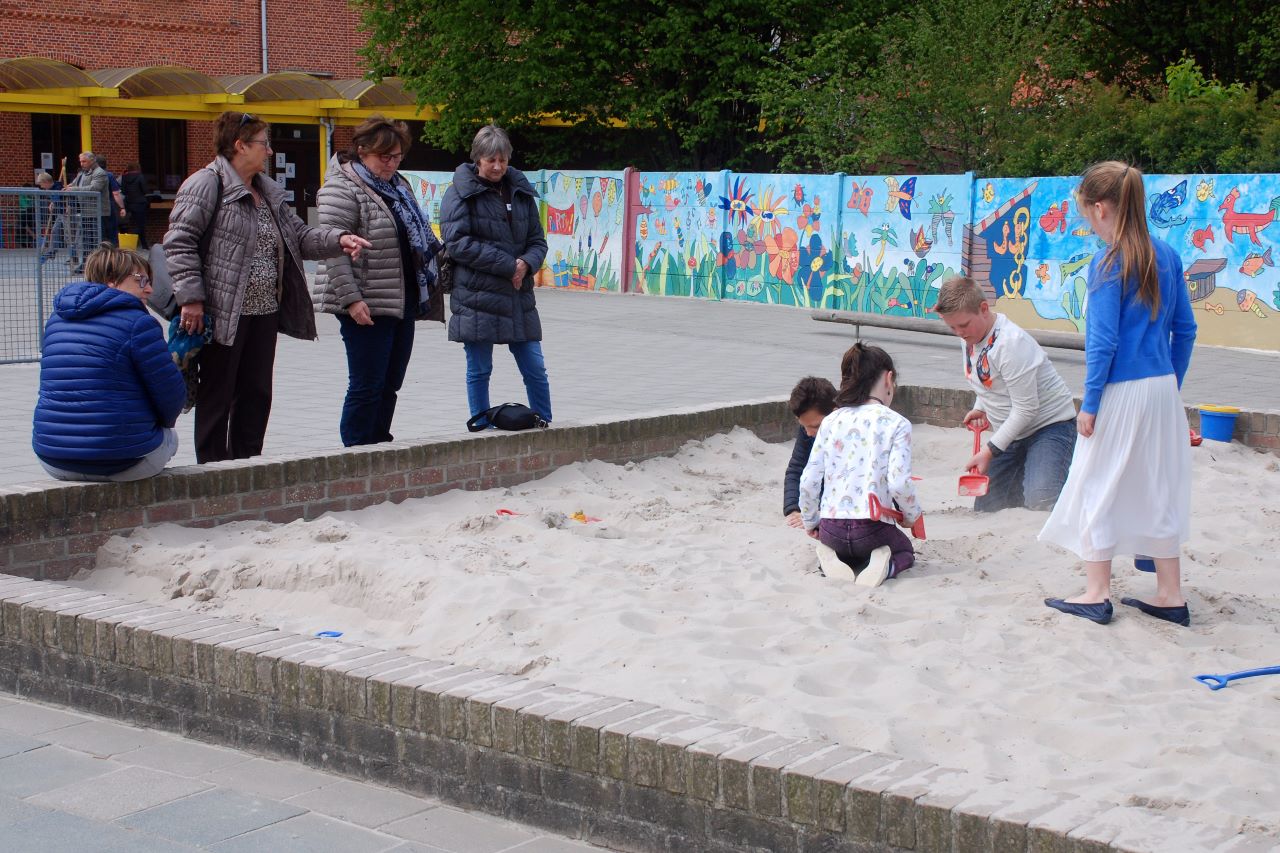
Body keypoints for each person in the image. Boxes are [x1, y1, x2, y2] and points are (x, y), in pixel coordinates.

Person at [1039, 161, 1197, 626]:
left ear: (1101, 208)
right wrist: (1169, 384)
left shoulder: (1108, 263)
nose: (1088, 220)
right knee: (1157, 487)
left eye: (1086, 212)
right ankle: (1170, 595)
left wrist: (1089, 404)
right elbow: (1185, 330)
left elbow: (1102, 342)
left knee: (1095, 481)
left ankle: (1096, 590)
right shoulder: (1166, 255)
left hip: (1121, 389)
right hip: (1163, 387)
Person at [163, 110, 370, 463]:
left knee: (256, 393)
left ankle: (247, 466)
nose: (270, 151)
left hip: (263, 311)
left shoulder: (268, 191)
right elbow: (179, 242)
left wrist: (339, 239)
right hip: (223, 311)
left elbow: (300, 237)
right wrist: (192, 298)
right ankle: (213, 474)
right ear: (239, 146)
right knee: (218, 395)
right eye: (263, 143)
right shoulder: (205, 184)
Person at [315, 115, 444, 446]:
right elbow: (332, 247)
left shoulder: (398, 185)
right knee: (366, 383)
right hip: (366, 300)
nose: (391, 163)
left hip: (401, 300)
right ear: (361, 151)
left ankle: (379, 446)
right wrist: (352, 300)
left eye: (397, 156)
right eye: (383, 157)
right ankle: (356, 453)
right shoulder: (342, 186)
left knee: (390, 382)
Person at [32, 243, 186, 481]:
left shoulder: (55, 321)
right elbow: (171, 396)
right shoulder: (138, 323)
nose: (150, 290)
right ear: (112, 281)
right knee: (170, 438)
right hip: (122, 461)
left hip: (52, 458)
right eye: (141, 281)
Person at [935, 276, 1078, 511]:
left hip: (1050, 426)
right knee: (987, 508)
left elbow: (1026, 409)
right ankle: (1029, 469)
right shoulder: (972, 336)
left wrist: (989, 451)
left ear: (983, 309)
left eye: (963, 325)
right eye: (952, 327)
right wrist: (981, 406)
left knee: (1041, 500)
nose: (959, 333)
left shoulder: (1011, 344)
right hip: (1011, 433)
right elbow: (989, 377)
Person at [440, 124, 551, 426]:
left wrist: (526, 264)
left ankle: (545, 422)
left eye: (503, 159)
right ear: (478, 159)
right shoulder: (459, 194)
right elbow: (458, 243)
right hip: (478, 295)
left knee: (535, 367)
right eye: (491, 160)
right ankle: (480, 422)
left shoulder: (521, 192)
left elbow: (538, 241)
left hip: (518, 296)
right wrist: (508, 266)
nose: (498, 166)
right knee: (479, 369)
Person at [799, 343, 923, 587]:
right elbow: (899, 482)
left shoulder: (831, 421)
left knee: (843, 546)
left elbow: (809, 480)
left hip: (832, 527)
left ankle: (831, 559)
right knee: (905, 551)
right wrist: (911, 515)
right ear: (889, 380)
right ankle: (885, 567)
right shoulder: (897, 423)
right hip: (873, 527)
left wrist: (811, 522)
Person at [783, 376, 837, 528]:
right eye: (804, 426)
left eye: (815, 426)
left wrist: (818, 513)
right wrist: (793, 508)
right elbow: (796, 469)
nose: (808, 433)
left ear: (835, 413)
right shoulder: (808, 430)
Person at [64, 151, 111, 270]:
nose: (82, 163)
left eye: (84, 161)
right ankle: (86, 264)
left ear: (92, 160)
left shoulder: (100, 173)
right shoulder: (82, 173)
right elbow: (74, 184)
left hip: (97, 212)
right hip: (86, 211)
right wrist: (68, 187)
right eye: (80, 161)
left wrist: (74, 189)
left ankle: (101, 265)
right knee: (86, 241)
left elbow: (95, 188)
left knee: (97, 240)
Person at [120, 162, 150, 248]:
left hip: (129, 203)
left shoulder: (124, 177)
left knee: (132, 223)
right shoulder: (140, 176)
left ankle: (143, 244)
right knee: (140, 224)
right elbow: (145, 190)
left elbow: (123, 191)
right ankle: (132, 240)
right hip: (140, 203)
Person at [98, 155, 126, 246]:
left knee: (99, 232)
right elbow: (116, 193)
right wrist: (122, 207)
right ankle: (112, 252)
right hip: (108, 207)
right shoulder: (109, 175)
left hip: (95, 207)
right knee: (112, 232)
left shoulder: (90, 175)